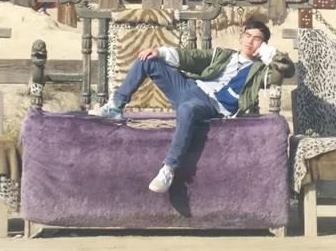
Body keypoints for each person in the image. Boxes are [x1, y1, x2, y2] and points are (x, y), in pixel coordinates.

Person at [89, 18, 295, 194]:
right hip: (189, 87)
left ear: (263, 44)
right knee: (147, 59)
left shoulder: (259, 71)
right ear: (241, 37)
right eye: (248, 35)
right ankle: (115, 107)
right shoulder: (224, 55)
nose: (250, 41)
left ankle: (168, 169)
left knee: (187, 109)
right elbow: (192, 57)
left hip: (210, 105)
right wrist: (158, 51)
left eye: (257, 39)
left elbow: (286, 70)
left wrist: (270, 53)